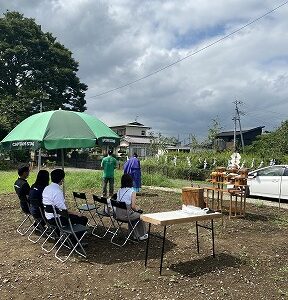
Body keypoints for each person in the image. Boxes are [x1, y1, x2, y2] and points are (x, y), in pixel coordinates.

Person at [115, 174, 147, 240]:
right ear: (131, 181)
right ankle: (141, 235)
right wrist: (138, 209)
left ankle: (133, 234)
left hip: (117, 214)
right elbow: (133, 206)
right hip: (127, 216)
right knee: (139, 215)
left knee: (133, 215)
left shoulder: (119, 191)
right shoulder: (132, 192)